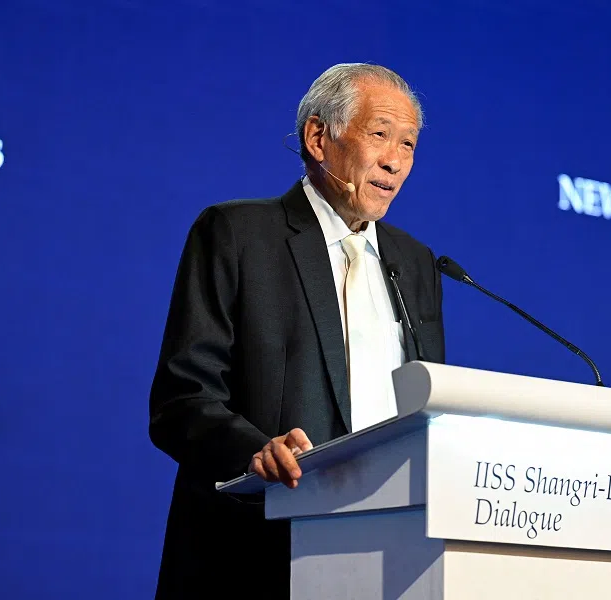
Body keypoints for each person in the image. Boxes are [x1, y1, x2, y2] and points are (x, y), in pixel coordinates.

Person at [148, 62, 445, 598]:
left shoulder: (416, 263)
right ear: (318, 137)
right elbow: (181, 401)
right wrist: (255, 451)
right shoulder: (238, 234)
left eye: (408, 145)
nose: (395, 162)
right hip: (253, 554)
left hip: (388, 560)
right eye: (380, 135)